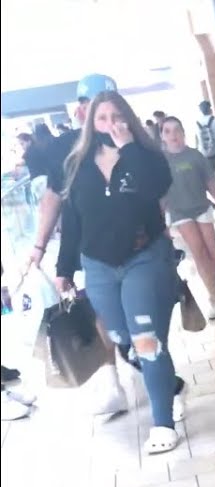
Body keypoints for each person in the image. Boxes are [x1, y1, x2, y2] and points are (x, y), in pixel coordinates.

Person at [56, 91, 184, 454]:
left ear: (127, 117)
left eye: (116, 116)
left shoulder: (145, 157)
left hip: (144, 258)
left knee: (147, 341)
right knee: (123, 340)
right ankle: (169, 385)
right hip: (98, 267)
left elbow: (155, 187)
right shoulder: (77, 165)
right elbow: (72, 219)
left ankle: (163, 422)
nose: (109, 123)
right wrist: (64, 268)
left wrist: (127, 146)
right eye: (102, 117)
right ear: (90, 122)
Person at [20, 116, 132, 417]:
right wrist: (52, 258)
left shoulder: (128, 139)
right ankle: (113, 383)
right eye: (90, 107)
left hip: (136, 249)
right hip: (92, 251)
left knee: (134, 318)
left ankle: (160, 378)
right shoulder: (63, 149)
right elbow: (58, 204)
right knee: (101, 312)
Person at [160, 116, 215, 319]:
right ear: (162, 136)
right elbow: (162, 193)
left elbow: (210, 183)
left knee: (213, 255)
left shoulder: (195, 156)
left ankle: (211, 284)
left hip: (202, 208)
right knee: (199, 253)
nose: (173, 135)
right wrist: (161, 222)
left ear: (183, 132)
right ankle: (214, 299)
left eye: (176, 130)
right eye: (167, 131)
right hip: (180, 213)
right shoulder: (162, 161)